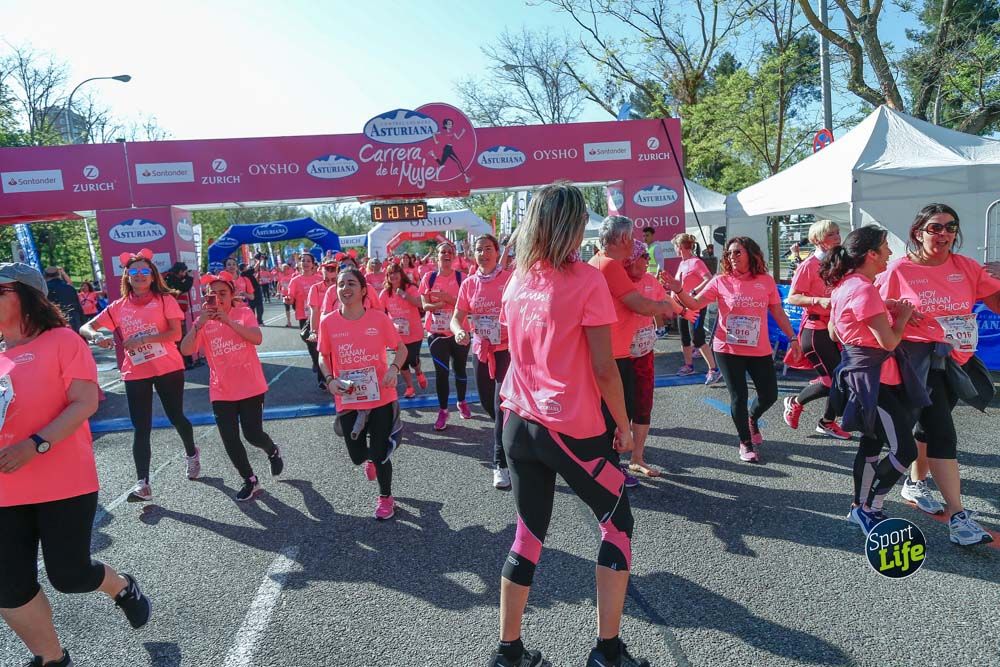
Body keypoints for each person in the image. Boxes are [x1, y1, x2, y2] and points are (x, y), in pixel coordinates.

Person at [489, 182, 646, 667]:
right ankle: (607, 652)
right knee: (617, 524)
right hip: (567, 426)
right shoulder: (585, 280)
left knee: (528, 533)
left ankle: (508, 652)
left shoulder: (517, 280)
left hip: (516, 419)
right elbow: (604, 368)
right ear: (574, 225)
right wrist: (622, 423)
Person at [0, 263, 151, 667]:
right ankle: (52, 658)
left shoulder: (63, 341)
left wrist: (36, 444)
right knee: (7, 586)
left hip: (64, 482)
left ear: (27, 296)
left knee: (68, 576)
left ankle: (121, 587)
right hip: (5, 488)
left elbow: (85, 402)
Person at [877, 204, 1000, 545]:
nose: (943, 233)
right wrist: (897, 314)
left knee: (927, 427)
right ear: (919, 232)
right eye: (935, 227)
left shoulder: (965, 267)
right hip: (916, 361)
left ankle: (915, 484)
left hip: (955, 359)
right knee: (943, 432)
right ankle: (959, 518)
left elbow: (997, 300)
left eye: (950, 227)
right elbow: (869, 305)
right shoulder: (899, 270)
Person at [821, 225, 927, 534]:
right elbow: (890, 342)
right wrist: (903, 316)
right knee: (904, 450)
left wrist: (887, 307)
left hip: (864, 377)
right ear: (870, 254)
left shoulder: (845, 285)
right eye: (884, 248)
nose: (889, 253)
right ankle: (870, 506)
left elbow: (833, 331)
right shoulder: (863, 288)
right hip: (875, 381)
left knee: (871, 444)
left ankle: (861, 508)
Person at [80, 249, 199, 501]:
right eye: (134, 271)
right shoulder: (118, 307)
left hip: (167, 367)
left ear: (153, 276)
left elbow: (175, 335)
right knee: (141, 427)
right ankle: (142, 483)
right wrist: (96, 336)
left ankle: (191, 452)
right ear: (127, 276)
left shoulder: (165, 299)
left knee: (176, 416)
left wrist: (144, 338)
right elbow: (85, 326)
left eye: (145, 271)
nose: (140, 275)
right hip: (135, 371)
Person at [672, 237, 799, 463]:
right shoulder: (721, 281)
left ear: (750, 254)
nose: (732, 256)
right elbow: (694, 304)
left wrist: (793, 338)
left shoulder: (765, 281)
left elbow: (778, 312)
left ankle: (753, 417)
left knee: (769, 395)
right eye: (729, 253)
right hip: (727, 348)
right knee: (739, 396)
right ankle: (745, 442)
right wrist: (679, 290)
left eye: (738, 252)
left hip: (758, 349)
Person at [590, 217, 682, 486]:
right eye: (631, 237)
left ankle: (610, 466)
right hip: (615, 354)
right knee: (614, 414)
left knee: (610, 413)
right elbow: (638, 304)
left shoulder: (598, 262)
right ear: (622, 240)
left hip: (613, 350)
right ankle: (609, 470)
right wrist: (663, 307)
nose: (634, 243)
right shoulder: (609, 265)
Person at [179, 271, 285, 502]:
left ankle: (272, 449)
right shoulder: (203, 321)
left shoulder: (243, 313)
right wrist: (200, 324)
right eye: (212, 294)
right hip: (221, 390)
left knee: (253, 435)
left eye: (222, 293)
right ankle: (250, 479)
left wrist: (227, 320)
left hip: (250, 386)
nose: (217, 298)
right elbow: (186, 350)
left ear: (231, 295)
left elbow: (256, 339)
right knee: (229, 438)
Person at [317, 268, 407, 521]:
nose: (345, 289)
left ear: (364, 290)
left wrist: (393, 368)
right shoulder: (328, 322)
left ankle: (386, 498)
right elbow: (323, 355)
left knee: (379, 455)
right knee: (358, 456)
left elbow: (400, 349)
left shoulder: (379, 319)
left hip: (381, 396)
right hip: (348, 397)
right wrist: (330, 379)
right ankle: (371, 459)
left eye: (351, 284)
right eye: (341, 284)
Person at [451, 234, 514, 490]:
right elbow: (457, 317)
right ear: (473, 254)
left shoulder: (509, 279)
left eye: (488, 249)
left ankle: (501, 464)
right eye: (479, 250)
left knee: (500, 404)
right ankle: (510, 434)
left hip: (507, 349)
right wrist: (458, 330)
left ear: (497, 252)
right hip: (480, 350)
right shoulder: (469, 284)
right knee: (489, 404)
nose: (483, 253)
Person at [782, 221, 852, 440]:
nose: (837, 237)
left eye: (838, 233)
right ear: (817, 240)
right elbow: (792, 296)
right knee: (833, 380)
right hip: (814, 329)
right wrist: (817, 300)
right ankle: (796, 402)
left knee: (841, 378)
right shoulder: (808, 265)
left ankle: (827, 422)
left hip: (835, 328)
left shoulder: (839, 262)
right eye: (831, 234)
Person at [622, 245, 671, 478]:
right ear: (630, 259)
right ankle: (610, 462)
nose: (646, 260)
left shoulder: (651, 280)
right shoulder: (615, 280)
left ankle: (637, 458)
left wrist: (680, 308)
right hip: (617, 356)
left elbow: (664, 304)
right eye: (642, 256)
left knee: (643, 405)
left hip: (643, 353)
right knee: (617, 408)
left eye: (646, 257)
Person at [419, 242, 472, 431]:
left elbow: (469, 305)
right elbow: (424, 305)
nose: (446, 255)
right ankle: (443, 411)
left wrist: (448, 299)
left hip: (459, 332)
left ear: (454, 256)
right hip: (437, 333)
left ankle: (462, 401)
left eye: (450, 252)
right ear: (438, 257)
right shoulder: (429, 277)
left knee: (460, 369)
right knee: (442, 374)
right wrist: (437, 306)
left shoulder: (462, 278)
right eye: (443, 252)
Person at [672, 233, 721, 384]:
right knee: (685, 337)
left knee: (697, 338)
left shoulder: (696, 262)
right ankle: (688, 365)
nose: (674, 249)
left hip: (695, 306)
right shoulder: (682, 263)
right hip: (682, 306)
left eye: (675, 246)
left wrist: (694, 291)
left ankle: (714, 370)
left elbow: (709, 278)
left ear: (680, 247)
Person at [380, 264, 427, 398]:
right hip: (397, 334)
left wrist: (405, 295)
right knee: (403, 362)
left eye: (396, 273)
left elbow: (420, 304)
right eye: (390, 274)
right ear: (387, 277)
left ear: (401, 274)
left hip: (414, 332)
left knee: (413, 359)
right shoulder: (385, 293)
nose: (393, 276)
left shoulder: (410, 288)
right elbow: (380, 312)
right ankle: (410, 387)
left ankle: (418, 372)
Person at [285, 253, 323, 390]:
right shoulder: (295, 280)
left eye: (308, 261)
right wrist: (288, 300)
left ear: (313, 264)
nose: (305, 263)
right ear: (300, 264)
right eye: (303, 261)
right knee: (312, 345)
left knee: (322, 345)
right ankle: (315, 361)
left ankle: (322, 377)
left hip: (320, 315)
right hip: (304, 316)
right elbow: (290, 297)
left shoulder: (320, 279)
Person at [163, 262, 198, 370]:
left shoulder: (170, 277)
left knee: (180, 337)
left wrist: (187, 276)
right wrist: (190, 278)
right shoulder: (170, 279)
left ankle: (185, 362)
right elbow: (184, 287)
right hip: (174, 313)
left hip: (175, 312)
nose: (184, 274)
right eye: (183, 272)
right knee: (180, 338)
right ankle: (184, 362)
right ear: (179, 271)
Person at [43, 267, 82, 332]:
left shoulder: (43, 290)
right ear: (59, 275)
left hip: (54, 325)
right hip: (74, 324)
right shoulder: (70, 288)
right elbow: (78, 308)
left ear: (45, 276)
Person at [277, 262, 296, 327]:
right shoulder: (281, 275)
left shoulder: (292, 275)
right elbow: (279, 284)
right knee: (287, 308)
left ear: (288, 268)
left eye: (286, 268)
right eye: (284, 268)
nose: (285, 269)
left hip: (292, 294)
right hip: (284, 294)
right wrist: (278, 292)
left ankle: (302, 318)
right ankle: (288, 322)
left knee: (295, 307)